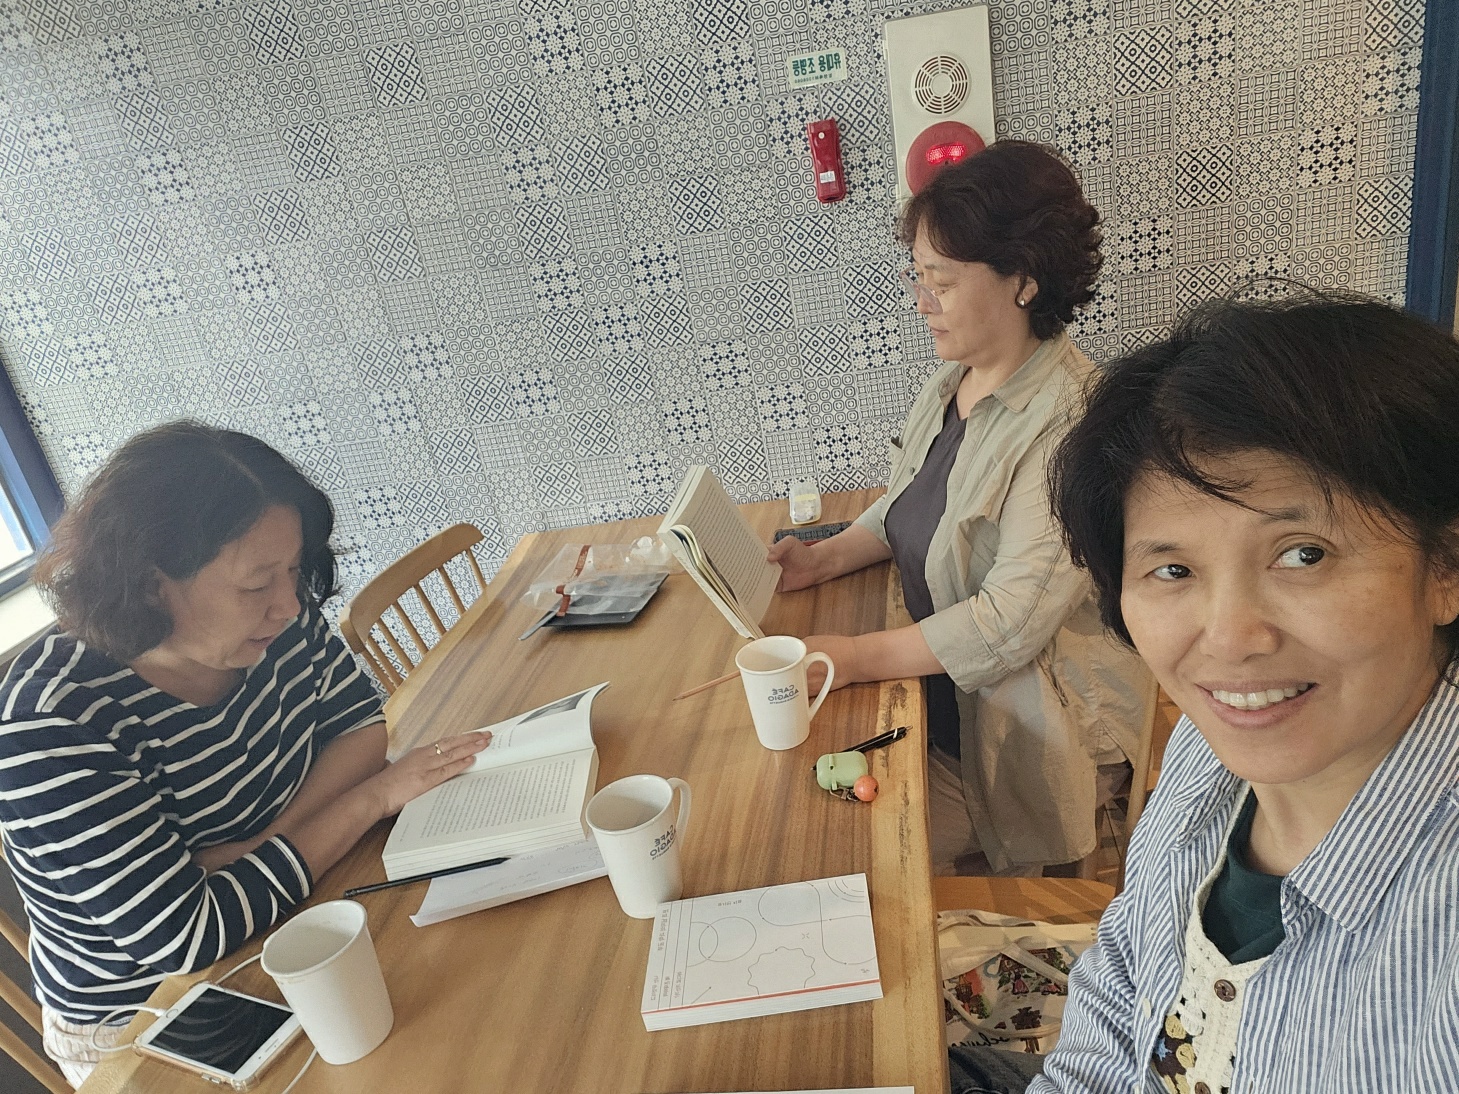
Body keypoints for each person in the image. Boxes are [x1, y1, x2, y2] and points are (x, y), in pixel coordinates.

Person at [950, 291, 1459, 1092]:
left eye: (1302, 554)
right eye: (1173, 570)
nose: (1227, 640)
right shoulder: (1205, 746)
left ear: (1444, 569)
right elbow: (1120, 978)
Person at [0, 422, 491, 1086]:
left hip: (294, 897)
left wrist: (263, 844)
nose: (289, 604)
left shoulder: (273, 621)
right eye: (257, 583)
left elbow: (359, 730)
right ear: (150, 583)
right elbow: (190, 937)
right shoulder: (52, 721)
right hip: (148, 1014)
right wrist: (370, 799)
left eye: (292, 570)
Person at [769, 141, 1152, 874]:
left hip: (1025, 737)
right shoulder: (955, 382)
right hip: (943, 694)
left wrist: (854, 658)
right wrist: (823, 559)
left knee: (844, 857)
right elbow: (910, 500)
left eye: (940, 282)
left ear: (1024, 281)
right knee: (795, 792)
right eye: (917, 278)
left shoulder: (1074, 425)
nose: (922, 302)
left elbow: (1007, 623)